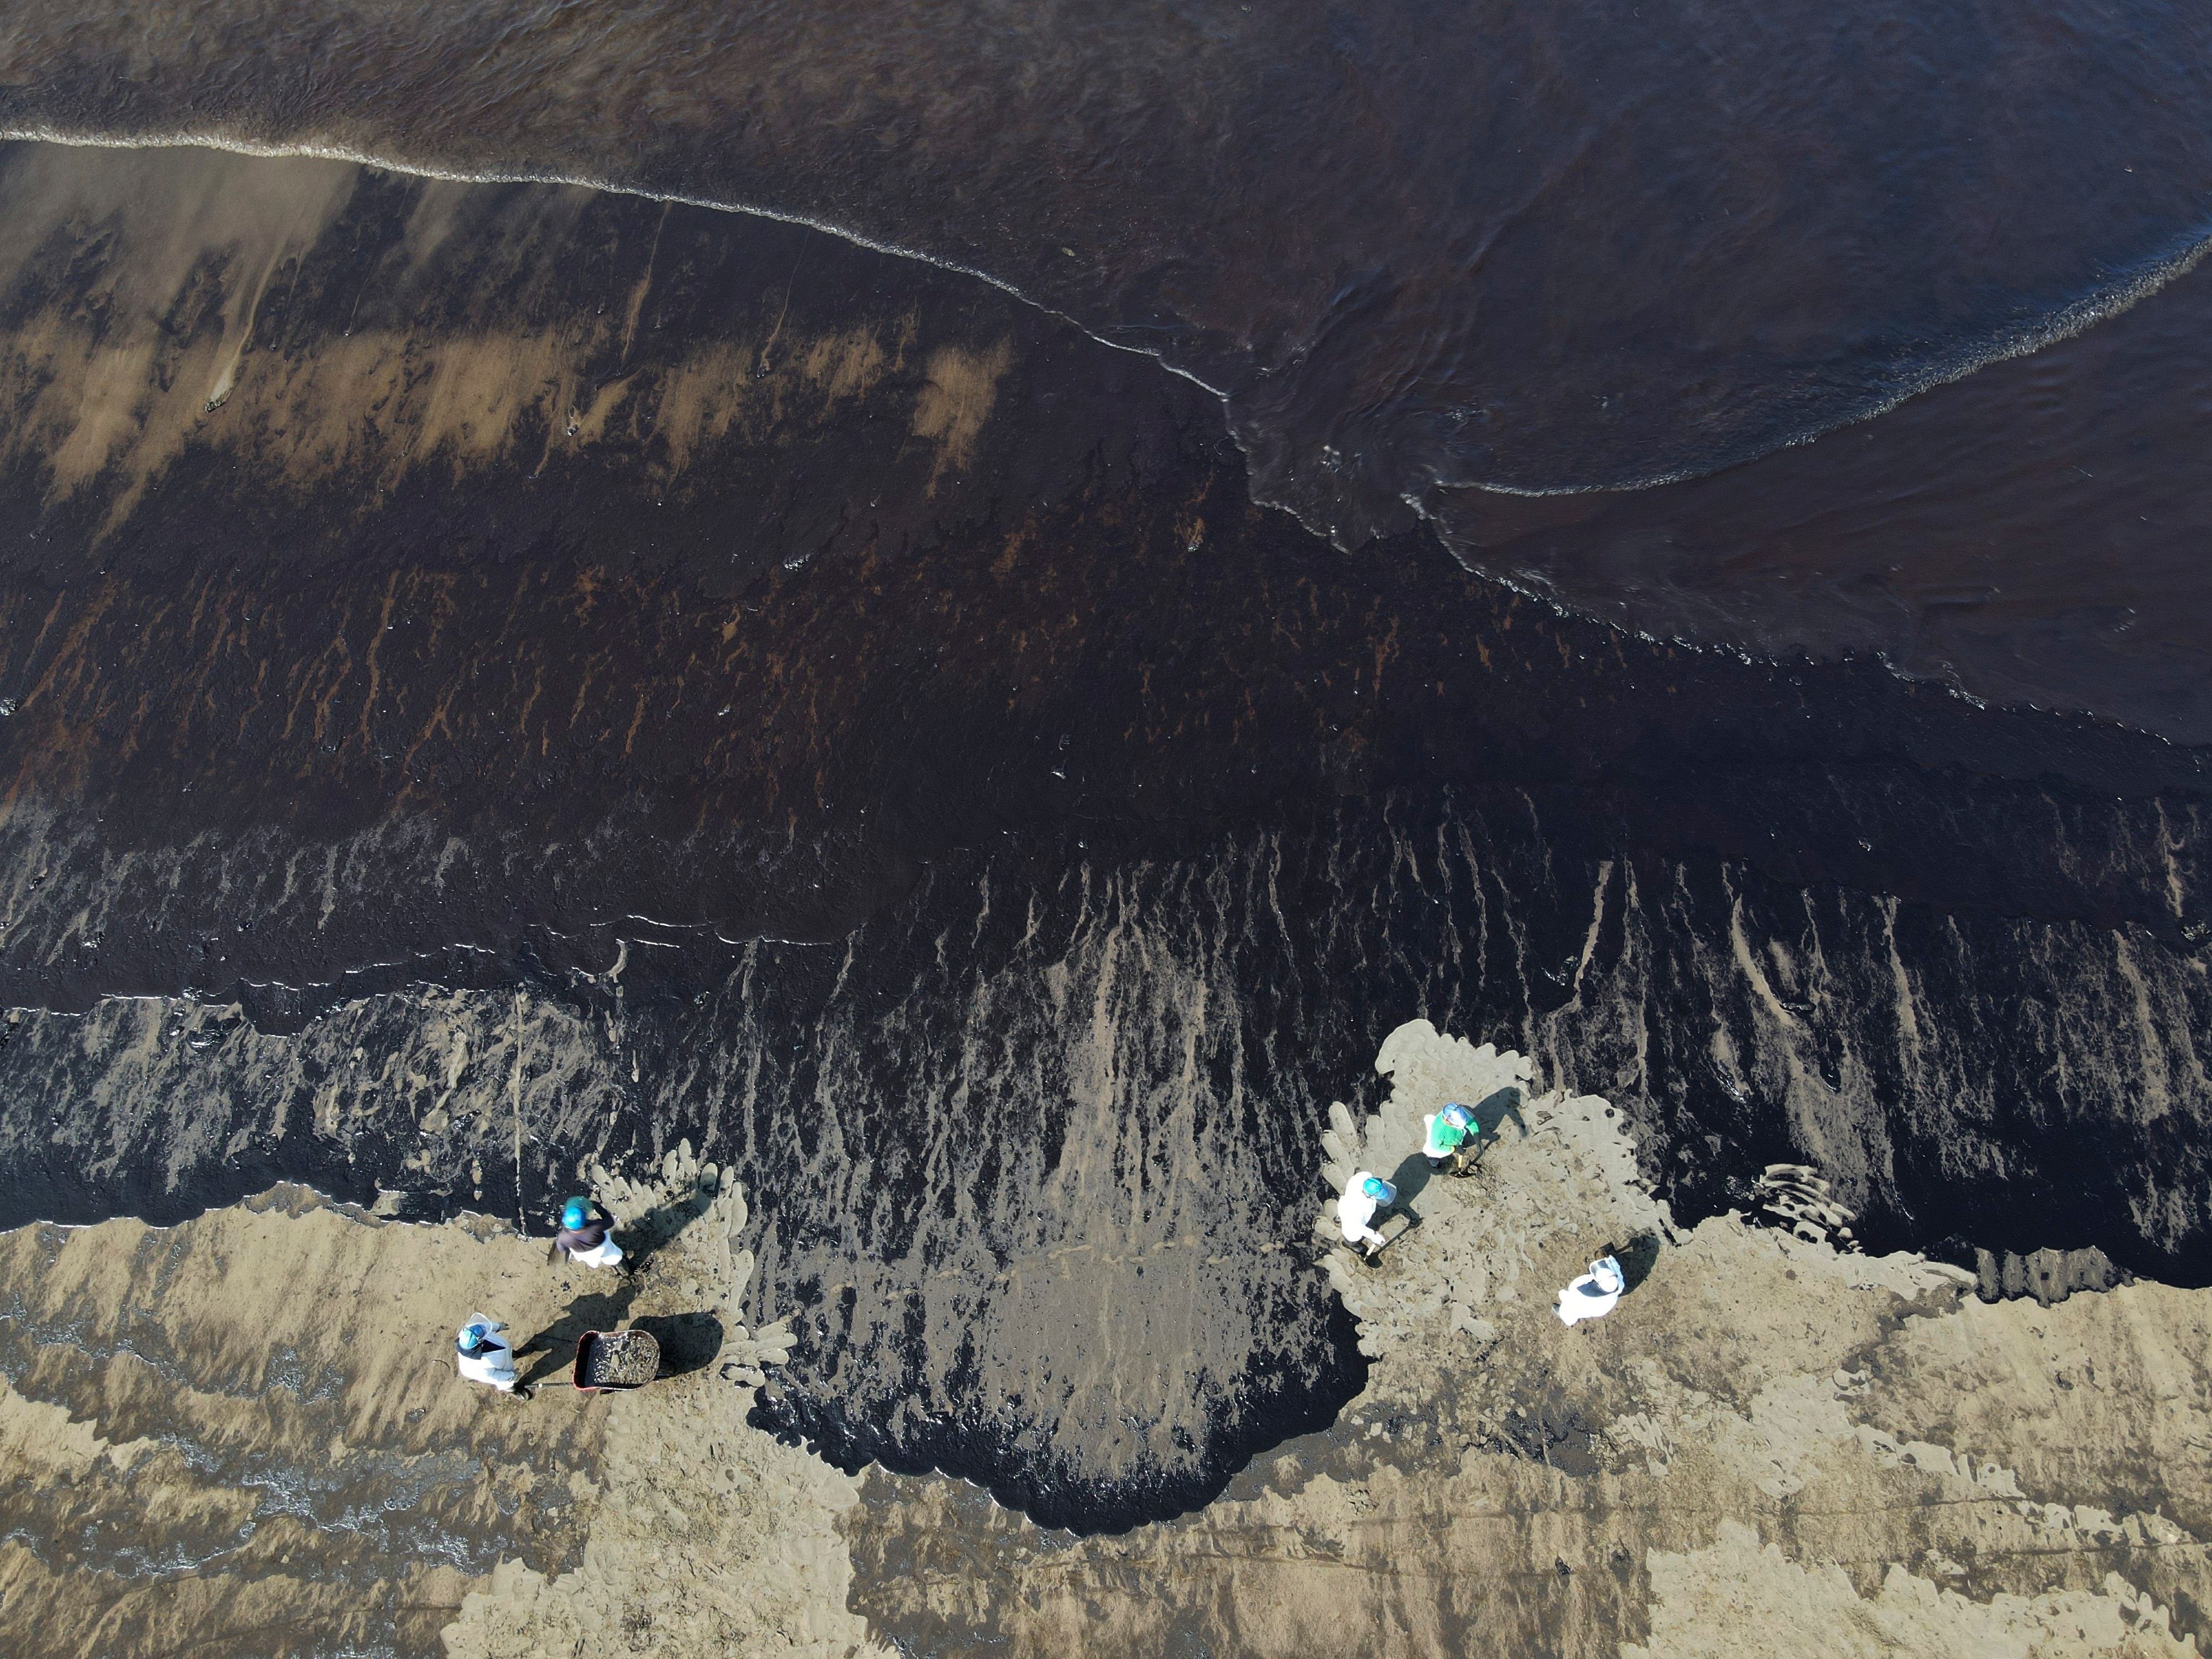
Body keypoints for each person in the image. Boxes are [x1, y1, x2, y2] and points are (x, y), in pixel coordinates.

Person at [1337, 1172, 1397, 1259]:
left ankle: (1338, 1218)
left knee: (1343, 1213)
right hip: (1351, 1218)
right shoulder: (1359, 1209)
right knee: (1353, 1236)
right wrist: (1373, 1235)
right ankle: (1350, 1244)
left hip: (1345, 1204)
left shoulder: (1364, 1177)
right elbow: (1357, 1227)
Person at [553, 1196, 623, 1269]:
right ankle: (620, 1267)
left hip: (583, 1254)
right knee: (614, 1258)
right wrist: (596, 1205)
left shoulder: (563, 1237)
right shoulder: (595, 1228)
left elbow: (560, 1248)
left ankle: (598, 1264)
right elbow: (610, 1222)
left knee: (593, 1262)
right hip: (602, 1247)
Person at [456, 1314, 521, 1392]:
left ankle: (516, 1355)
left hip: (505, 1352)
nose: (484, 1331)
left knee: (509, 1353)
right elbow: (496, 1377)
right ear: (479, 1343)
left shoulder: (470, 1331)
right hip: (503, 1367)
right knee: (506, 1383)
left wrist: (498, 1326)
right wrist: (512, 1375)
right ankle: (515, 1391)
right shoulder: (477, 1368)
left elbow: (483, 1326)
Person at [1556, 1254, 1625, 1326]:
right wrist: (1596, 1279)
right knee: (1594, 1267)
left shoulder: (1594, 1313)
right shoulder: (1574, 1289)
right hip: (1609, 1278)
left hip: (1619, 1287)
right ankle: (1606, 1261)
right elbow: (1587, 1278)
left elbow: (1612, 1302)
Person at [1422, 1103, 1479, 1172]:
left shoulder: (1455, 1112)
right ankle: (1431, 1158)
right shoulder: (1438, 1132)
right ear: (1449, 1122)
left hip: (1452, 1136)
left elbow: (1469, 1121)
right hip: (1437, 1145)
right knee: (1429, 1151)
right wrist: (1454, 1149)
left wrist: (1476, 1134)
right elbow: (1436, 1146)